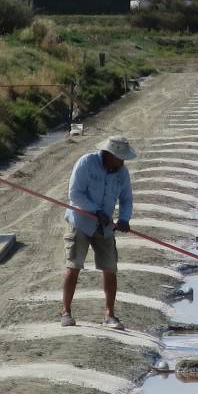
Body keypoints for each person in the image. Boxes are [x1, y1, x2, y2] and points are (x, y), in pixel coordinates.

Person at [61, 136, 136, 329]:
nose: (122, 162)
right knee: (74, 265)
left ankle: (110, 315)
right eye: (120, 158)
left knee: (110, 268)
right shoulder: (86, 163)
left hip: (105, 226)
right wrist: (95, 210)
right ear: (109, 154)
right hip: (80, 222)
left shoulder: (122, 173)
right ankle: (66, 312)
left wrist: (125, 219)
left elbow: (126, 199)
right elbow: (75, 194)